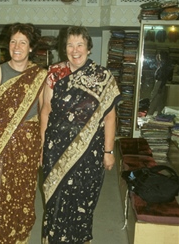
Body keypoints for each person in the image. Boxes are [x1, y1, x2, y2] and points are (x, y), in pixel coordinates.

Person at [40, 26, 121, 244]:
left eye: (80, 45)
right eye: (70, 45)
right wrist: (41, 147)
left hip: (89, 154)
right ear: (64, 48)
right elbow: (46, 110)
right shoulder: (54, 74)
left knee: (83, 203)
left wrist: (108, 151)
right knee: (56, 203)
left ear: (88, 48)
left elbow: (110, 117)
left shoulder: (103, 77)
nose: (75, 50)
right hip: (55, 150)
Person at [0, 23, 47, 244]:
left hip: (28, 147)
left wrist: (43, 147)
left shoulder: (41, 76)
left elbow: (45, 114)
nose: (17, 47)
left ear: (31, 47)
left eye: (23, 42)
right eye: (13, 41)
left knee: (23, 196)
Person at [148, 50, 173, 115]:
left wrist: (160, 87)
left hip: (160, 83)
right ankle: (159, 113)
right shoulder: (164, 63)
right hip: (160, 82)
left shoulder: (164, 65)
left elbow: (164, 77)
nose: (158, 57)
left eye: (159, 56)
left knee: (154, 97)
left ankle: (150, 112)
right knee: (159, 100)